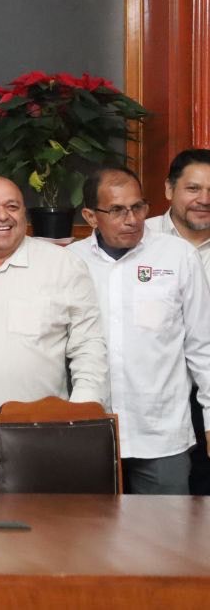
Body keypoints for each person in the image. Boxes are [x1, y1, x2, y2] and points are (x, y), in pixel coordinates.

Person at [68, 167, 210, 494]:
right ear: (90, 216)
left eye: (138, 207)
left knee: (167, 525)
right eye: (117, 210)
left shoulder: (178, 256)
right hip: (89, 431)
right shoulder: (71, 262)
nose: (132, 219)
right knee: (86, 525)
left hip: (162, 433)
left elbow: (203, 345)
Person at [0, 176, 107, 410]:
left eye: (12, 206)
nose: (2, 216)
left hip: (37, 426)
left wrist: (82, 410)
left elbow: (89, 346)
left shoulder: (63, 266)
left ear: (24, 213)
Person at [147, 148, 210, 493]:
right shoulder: (138, 238)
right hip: (153, 395)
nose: (204, 200)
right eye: (193, 188)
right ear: (169, 189)